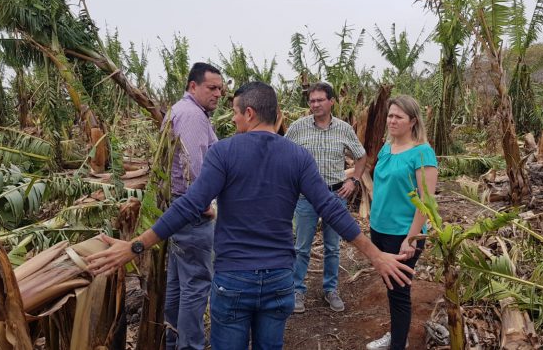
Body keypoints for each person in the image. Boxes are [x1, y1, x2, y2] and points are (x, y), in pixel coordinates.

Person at [86, 82, 415, 350]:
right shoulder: (297, 157)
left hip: (233, 280)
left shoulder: (224, 152)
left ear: (249, 112)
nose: (235, 120)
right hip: (278, 279)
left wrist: (135, 246)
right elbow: (331, 208)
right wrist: (376, 256)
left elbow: (188, 206)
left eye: (235, 112)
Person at [285, 82, 367, 313]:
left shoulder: (343, 129)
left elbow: (361, 156)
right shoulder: (298, 128)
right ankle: (297, 290)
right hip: (305, 197)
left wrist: (354, 180)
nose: (315, 104)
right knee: (301, 247)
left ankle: (330, 289)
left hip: (334, 195)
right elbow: (282, 153)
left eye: (320, 100)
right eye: (312, 101)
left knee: (332, 247)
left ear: (331, 101)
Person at [366, 95, 438, 350]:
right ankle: (399, 334)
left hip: (403, 234)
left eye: (398, 116)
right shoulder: (388, 147)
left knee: (399, 292)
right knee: (391, 286)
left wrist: (412, 237)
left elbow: (426, 201)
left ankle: (398, 343)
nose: (391, 120)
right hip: (380, 230)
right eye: (390, 115)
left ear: (413, 121)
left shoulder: (422, 153)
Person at [162, 62, 223, 350]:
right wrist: (205, 206)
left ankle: (174, 341)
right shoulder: (192, 117)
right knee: (196, 285)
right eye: (212, 88)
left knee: (178, 281)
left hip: (177, 210)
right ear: (193, 86)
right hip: (191, 213)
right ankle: (190, 346)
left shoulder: (181, 110)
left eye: (221, 89)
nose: (218, 94)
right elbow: (194, 169)